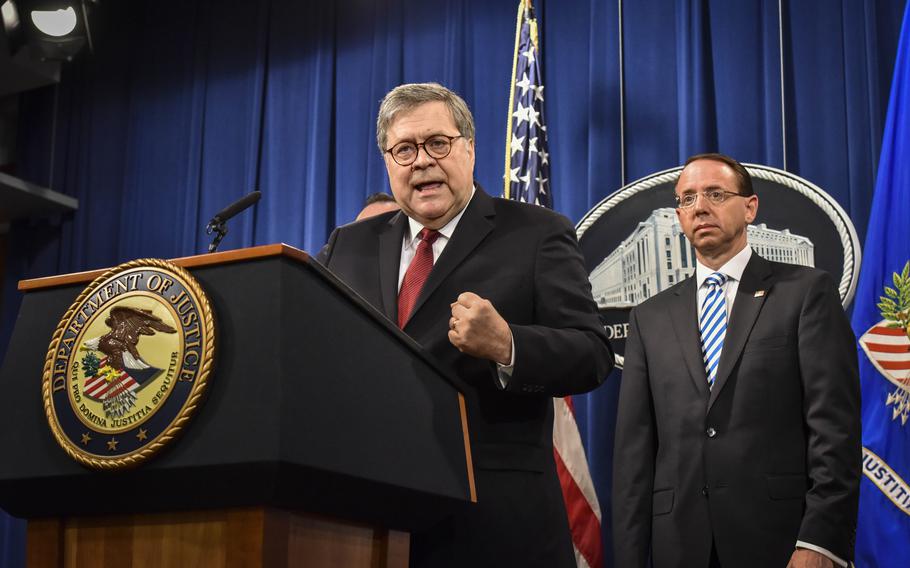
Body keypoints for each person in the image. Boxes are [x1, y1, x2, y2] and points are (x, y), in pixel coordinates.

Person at [320, 82, 613, 567]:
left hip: (493, 526)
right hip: (369, 521)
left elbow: (593, 355)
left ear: (470, 149)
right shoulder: (347, 245)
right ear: (388, 162)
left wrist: (508, 345)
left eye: (438, 143)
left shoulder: (537, 234)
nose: (421, 161)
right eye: (404, 149)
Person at [612, 153, 861, 568]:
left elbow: (835, 429)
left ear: (750, 207)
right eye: (687, 199)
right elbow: (634, 455)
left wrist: (820, 541)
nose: (701, 207)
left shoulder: (805, 293)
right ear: (678, 215)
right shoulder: (650, 317)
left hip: (781, 543)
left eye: (715, 193)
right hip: (680, 546)